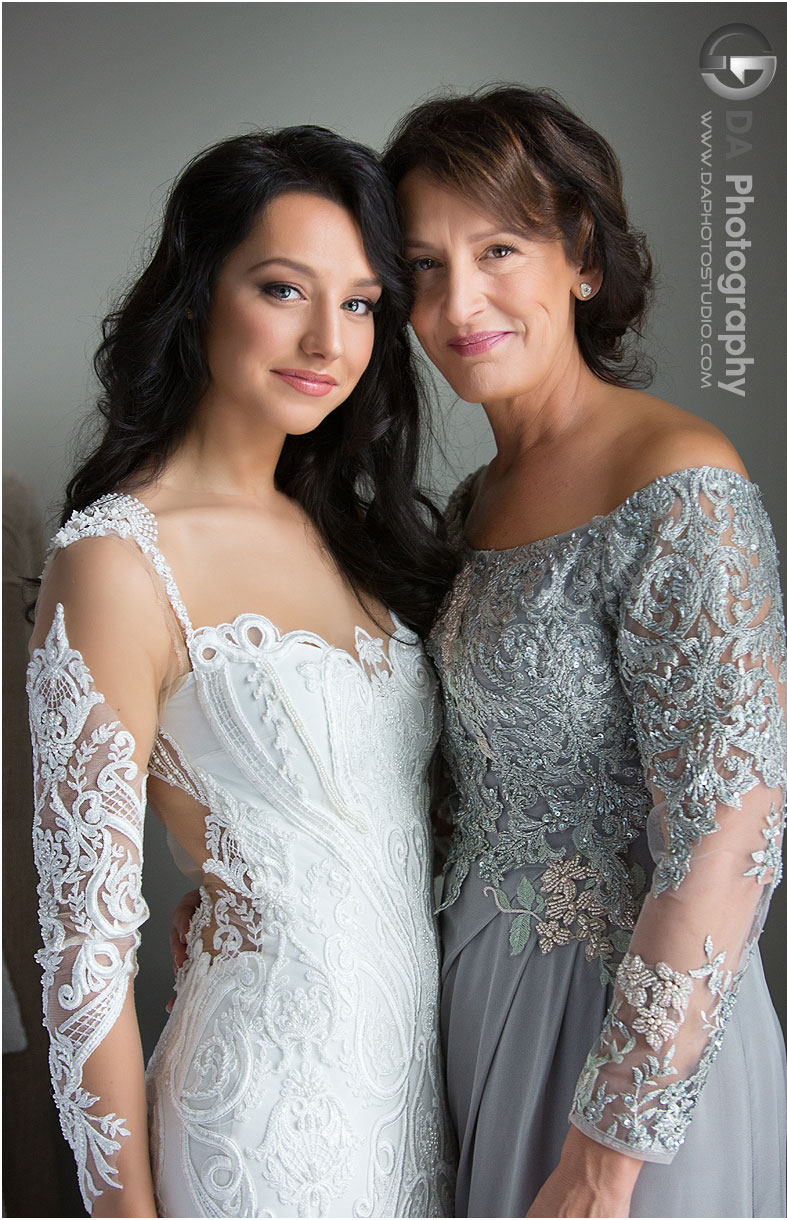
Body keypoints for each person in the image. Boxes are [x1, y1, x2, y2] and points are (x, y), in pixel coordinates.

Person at [27, 126, 457, 1218]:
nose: (328, 337)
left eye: (361, 303)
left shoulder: (353, 532)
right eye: (284, 288)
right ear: (199, 292)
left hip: (415, 1108)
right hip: (263, 1122)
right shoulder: (116, 561)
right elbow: (83, 965)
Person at [382, 86, 787, 1218]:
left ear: (584, 263)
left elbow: (730, 831)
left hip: (630, 1038)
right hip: (482, 997)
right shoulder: (470, 505)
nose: (459, 300)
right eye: (422, 266)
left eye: (499, 248)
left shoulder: (678, 479)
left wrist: (609, 1150)